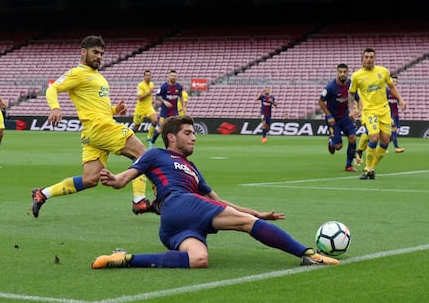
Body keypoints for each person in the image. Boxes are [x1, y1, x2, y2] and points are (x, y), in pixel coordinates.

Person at [91, 115, 339, 269]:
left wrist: (256, 214)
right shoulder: (156, 154)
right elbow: (123, 179)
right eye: (188, 133)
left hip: (177, 224)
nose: (194, 138)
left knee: (199, 259)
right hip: (178, 204)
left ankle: (126, 259)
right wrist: (112, 179)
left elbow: (217, 201)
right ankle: (308, 254)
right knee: (244, 223)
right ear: (171, 137)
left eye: (194, 134)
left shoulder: (193, 168)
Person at [31, 35, 154, 218]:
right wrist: (55, 108)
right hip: (101, 127)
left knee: (90, 179)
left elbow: (95, 107)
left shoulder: (99, 77)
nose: (99, 56)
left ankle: (43, 193)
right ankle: (139, 201)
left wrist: (114, 110)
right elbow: (52, 88)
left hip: (93, 132)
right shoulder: (78, 73)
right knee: (145, 157)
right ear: (83, 52)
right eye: (95, 52)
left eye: (101, 53)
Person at [348, 48, 406, 180]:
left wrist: (400, 99)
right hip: (369, 111)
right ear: (362, 59)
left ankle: (371, 168)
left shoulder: (383, 71)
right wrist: (352, 108)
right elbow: (351, 93)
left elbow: (391, 87)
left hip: (384, 110)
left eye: (371, 57)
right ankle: (367, 167)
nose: (369, 59)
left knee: (385, 140)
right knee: (373, 137)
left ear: (375, 58)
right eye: (366, 57)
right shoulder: (357, 76)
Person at [318, 64, 358, 171]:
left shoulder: (351, 85)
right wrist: (329, 115)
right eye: (340, 72)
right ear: (337, 72)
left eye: (345, 72)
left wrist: (357, 110)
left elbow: (358, 98)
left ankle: (349, 165)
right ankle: (332, 142)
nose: (342, 74)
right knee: (338, 146)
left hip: (346, 117)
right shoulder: (330, 87)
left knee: (353, 138)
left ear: (347, 72)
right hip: (333, 119)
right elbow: (321, 101)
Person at [148, 69, 184, 147]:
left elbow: (181, 97)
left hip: (174, 111)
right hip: (165, 112)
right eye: (172, 76)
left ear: (176, 77)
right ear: (169, 76)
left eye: (174, 76)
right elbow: (157, 96)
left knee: (175, 129)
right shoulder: (164, 86)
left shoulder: (179, 87)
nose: (173, 77)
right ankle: (152, 142)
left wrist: (184, 107)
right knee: (160, 129)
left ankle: (174, 146)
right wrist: (164, 102)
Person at [133, 70, 158, 138]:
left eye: (149, 75)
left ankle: (149, 137)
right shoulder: (140, 85)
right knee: (136, 126)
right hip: (140, 108)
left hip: (148, 107)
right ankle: (131, 138)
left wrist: (152, 99)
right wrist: (149, 92)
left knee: (155, 120)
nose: (148, 77)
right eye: (146, 75)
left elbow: (150, 95)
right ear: (144, 76)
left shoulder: (152, 84)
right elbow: (140, 98)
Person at [388, 75, 405, 153]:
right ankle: (396, 147)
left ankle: (383, 146)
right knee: (394, 129)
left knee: (395, 130)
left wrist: (402, 105)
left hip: (395, 113)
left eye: (396, 82)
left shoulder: (396, 92)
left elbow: (399, 101)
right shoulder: (386, 91)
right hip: (389, 114)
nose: (395, 83)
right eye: (393, 81)